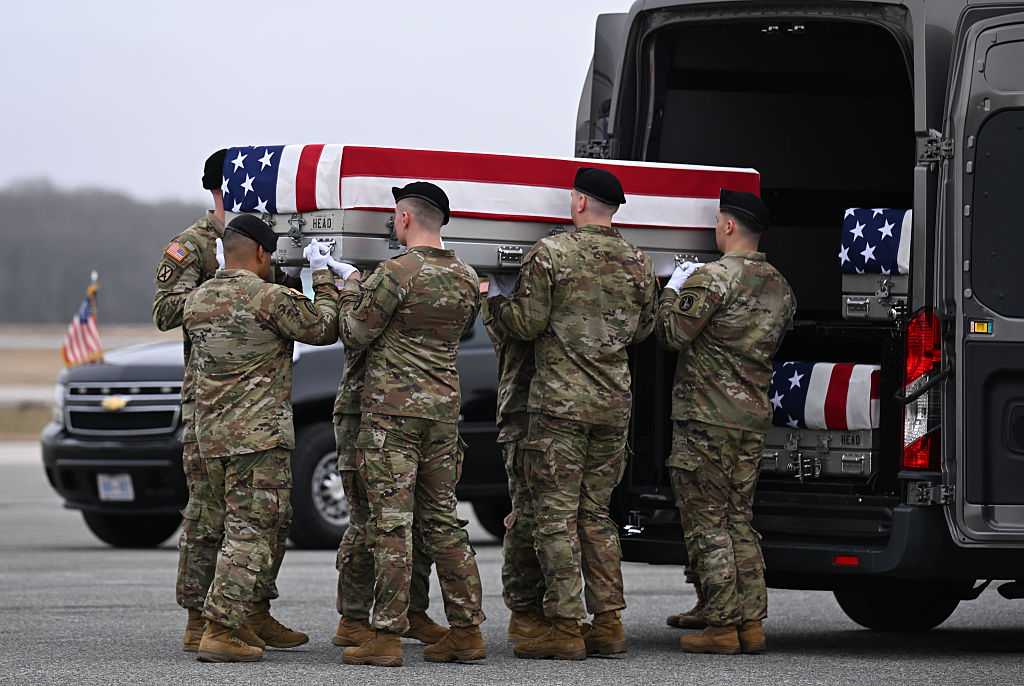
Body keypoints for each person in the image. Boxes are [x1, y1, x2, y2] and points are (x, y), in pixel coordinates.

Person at [488, 167, 658, 660]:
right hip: (613, 406)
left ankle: (565, 624)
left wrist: (495, 301)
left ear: (580, 203)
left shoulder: (552, 254)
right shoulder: (639, 261)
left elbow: (526, 322)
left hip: (559, 407)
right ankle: (608, 623)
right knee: (596, 516)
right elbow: (644, 327)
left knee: (555, 517)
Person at [336, 182, 486, 667]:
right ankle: (467, 630)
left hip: (392, 418)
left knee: (390, 525)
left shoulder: (395, 273)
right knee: (444, 522)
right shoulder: (466, 275)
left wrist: (348, 287)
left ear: (404, 219)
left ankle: (385, 635)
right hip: (442, 415)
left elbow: (356, 331)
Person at [183, 215, 339, 662]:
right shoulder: (268, 299)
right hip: (257, 439)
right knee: (250, 533)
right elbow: (324, 327)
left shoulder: (198, 301)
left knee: (235, 528)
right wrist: (322, 273)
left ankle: (246, 616)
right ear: (263, 255)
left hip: (211, 437)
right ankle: (221, 628)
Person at [655, 189, 796, 655]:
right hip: (750, 417)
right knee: (739, 520)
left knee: (706, 522)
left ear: (729, 226)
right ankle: (749, 622)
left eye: (717, 221)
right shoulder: (780, 285)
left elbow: (673, 335)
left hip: (706, 416)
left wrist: (674, 288)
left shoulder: (713, 278)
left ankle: (721, 625)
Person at [331, 340, 448, 648]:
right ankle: (353, 618)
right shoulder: (364, 289)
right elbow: (348, 327)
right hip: (361, 408)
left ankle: (413, 611)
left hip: (414, 406)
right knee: (369, 520)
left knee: (417, 520)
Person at [481, 282, 547, 646]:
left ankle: (547, 610)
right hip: (523, 414)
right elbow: (508, 332)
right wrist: (497, 296)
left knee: (554, 519)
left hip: (550, 415)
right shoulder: (505, 306)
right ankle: (525, 611)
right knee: (526, 517)